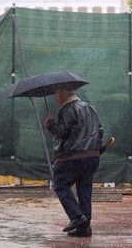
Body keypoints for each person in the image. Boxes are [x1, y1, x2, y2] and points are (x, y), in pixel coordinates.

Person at [44, 84, 102, 237]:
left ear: (62, 95)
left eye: (57, 94)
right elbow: (100, 130)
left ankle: (77, 218)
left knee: (60, 184)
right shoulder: (90, 107)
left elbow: (61, 131)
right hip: (92, 156)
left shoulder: (68, 108)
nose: (56, 98)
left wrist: (50, 124)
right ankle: (85, 226)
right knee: (84, 189)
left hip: (73, 156)